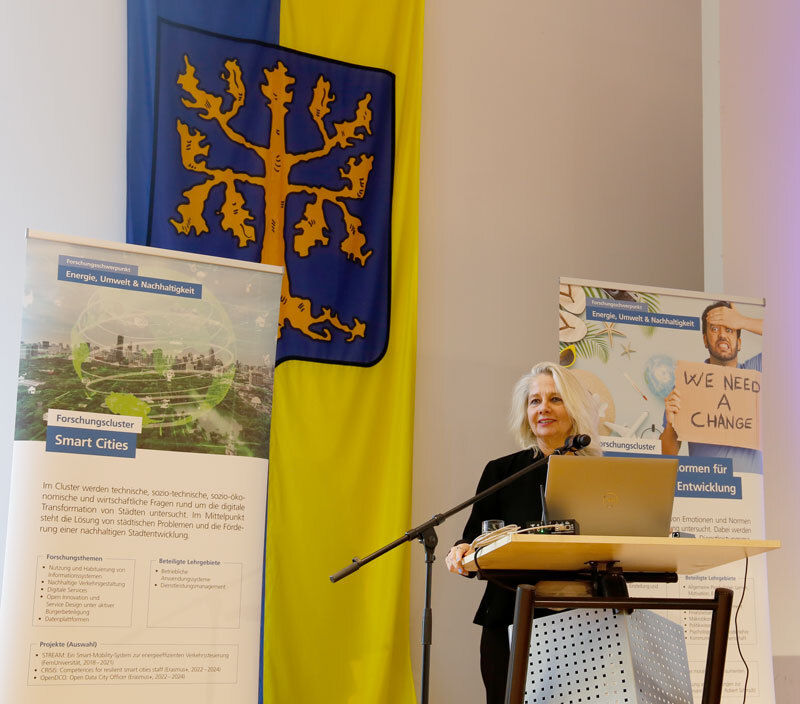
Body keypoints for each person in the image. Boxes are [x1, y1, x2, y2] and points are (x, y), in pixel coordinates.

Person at [445, 361, 601, 704]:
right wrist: (461, 549)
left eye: (555, 399)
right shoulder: (502, 472)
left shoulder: (601, 474)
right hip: (510, 616)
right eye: (535, 401)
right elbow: (472, 538)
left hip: (583, 620)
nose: (543, 408)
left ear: (574, 408)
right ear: (526, 412)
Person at [660, 301, 763, 473]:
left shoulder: (755, 373)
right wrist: (671, 426)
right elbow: (666, 455)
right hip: (707, 485)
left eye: (729, 329)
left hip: (750, 487)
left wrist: (742, 321)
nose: (722, 335)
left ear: (739, 342)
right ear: (705, 340)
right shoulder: (687, 384)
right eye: (714, 329)